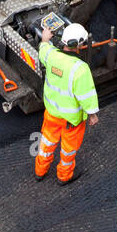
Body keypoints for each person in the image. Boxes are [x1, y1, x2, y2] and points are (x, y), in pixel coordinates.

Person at [34, 22, 99, 185]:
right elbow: (87, 95)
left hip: (52, 113)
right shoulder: (80, 69)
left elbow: (43, 48)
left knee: (47, 142)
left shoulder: (51, 55)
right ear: (79, 45)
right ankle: (64, 176)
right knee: (68, 149)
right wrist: (92, 114)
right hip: (71, 120)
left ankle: (40, 171)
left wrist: (45, 39)